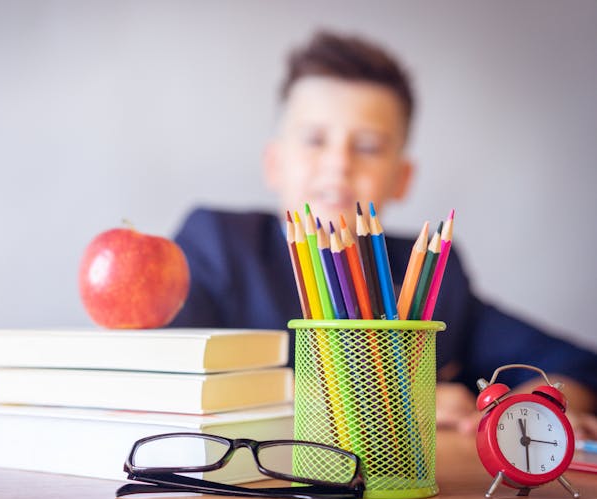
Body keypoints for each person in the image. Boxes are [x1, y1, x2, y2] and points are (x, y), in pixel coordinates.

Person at [169, 30, 597, 438]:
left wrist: (537, 406)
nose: (339, 162)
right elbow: (167, 377)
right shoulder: (218, 244)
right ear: (274, 163)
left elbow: (575, 365)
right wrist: (394, 402)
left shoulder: (430, 272)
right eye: (315, 139)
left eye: (369, 146)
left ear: (402, 178)